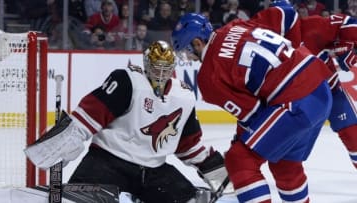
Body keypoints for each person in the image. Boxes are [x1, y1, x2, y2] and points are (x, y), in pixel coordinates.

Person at [24, 40, 228, 203]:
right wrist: (62, 142)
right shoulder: (127, 81)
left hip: (153, 170)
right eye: (156, 67)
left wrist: (218, 170)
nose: (161, 73)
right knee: (78, 199)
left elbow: (188, 144)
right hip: (108, 162)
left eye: (166, 68)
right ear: (146, 64)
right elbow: (88, 116)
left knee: (190, 199)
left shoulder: (183, 95)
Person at [171, 13, 333, 202]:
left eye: (186, 51)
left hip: (294, 100)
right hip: (320, 88)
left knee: (239, 159)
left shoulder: (208, 77)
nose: (188, 57)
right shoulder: (235, 26)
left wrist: (240, 141)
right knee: (284, 164)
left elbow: (255, 114)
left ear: (197, 43)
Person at [252, 0, 357, 170]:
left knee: (353, 136)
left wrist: (346, 45)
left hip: (331, 91)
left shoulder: (310, 26)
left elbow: (348, 24)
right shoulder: (259, 43)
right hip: (296, 104)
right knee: (285, 157)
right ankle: (247, 171)